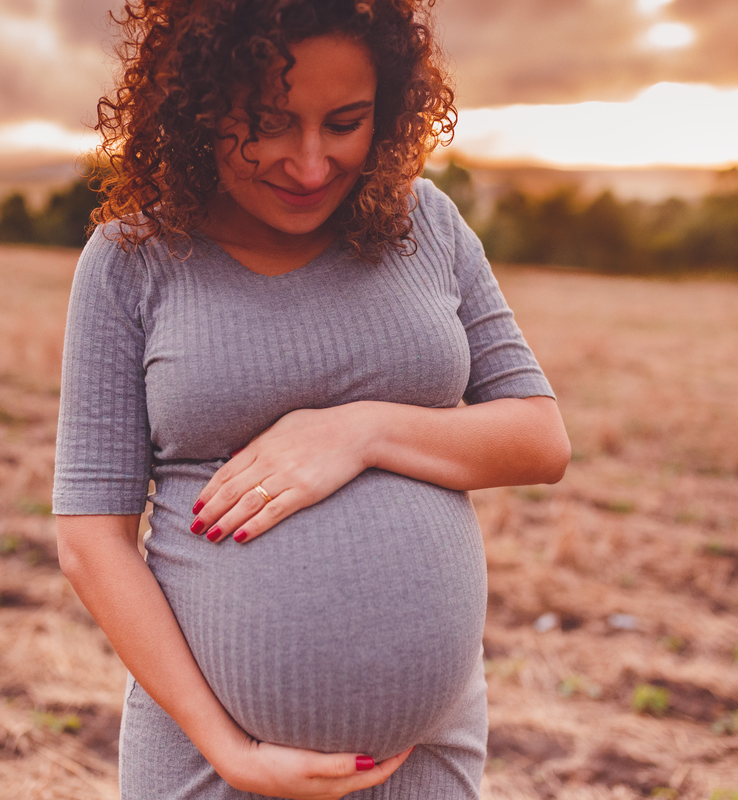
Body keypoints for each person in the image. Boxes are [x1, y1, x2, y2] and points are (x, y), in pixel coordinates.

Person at [53, 1, 571, 798]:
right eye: (267, 122)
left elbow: (541, 439)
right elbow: (93, 540)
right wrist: (228, 747)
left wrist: (363, 432)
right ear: (199, 105)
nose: (308, 163)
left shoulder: (425, 225)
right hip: (211, 770)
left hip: (423, 763)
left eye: (345, 123)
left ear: (389, 112)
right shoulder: (133, 260)